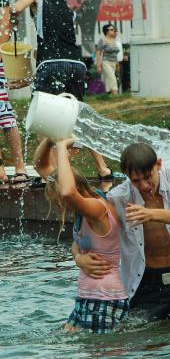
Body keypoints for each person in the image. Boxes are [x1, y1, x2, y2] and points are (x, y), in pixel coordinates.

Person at [74, 142, 170, 321]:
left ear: (158, 165)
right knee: (145, 345)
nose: (145, 185)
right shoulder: (118, 198)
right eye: (136, 180)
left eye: (148, 177)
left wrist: (152, 214)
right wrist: (78, 257)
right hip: (145, 284)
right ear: (127, 176)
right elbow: (83, 237)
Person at [14, 0, 114, 180]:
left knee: (43, 118)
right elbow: (60, 39)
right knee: (77, 115)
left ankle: (50, 173)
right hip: (76, 65)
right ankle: (103, 168)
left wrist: (9, 13)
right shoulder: (66, 5)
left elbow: (16, 8)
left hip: (51, 65)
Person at [43, 137, 128, 333]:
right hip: (87, 297)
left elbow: (67, 193)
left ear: (77, 189)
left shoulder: (97, 209)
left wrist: (63, 147)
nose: (60, 205)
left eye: (60, 202)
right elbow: (42, 167)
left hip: (104, 300)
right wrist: (50, 138)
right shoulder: (83, 213)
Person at [0, 4, 29, 184]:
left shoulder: (4, 10)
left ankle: (19, 167)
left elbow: (2, 43)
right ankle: (4, 169)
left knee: (6, 117)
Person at [96, 23, 120, 95]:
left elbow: (115, 54)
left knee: (109, 80)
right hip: (106, 62)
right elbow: (98, 53)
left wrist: (117, 63)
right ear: (107, 31)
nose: (114, 31)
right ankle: (116, 96)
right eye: (112, 30)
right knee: (112, 79)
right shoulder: (102, 40)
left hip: (114, 63)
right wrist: (98, 66)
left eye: (114, 30)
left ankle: (107, 95)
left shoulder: (115, 40)